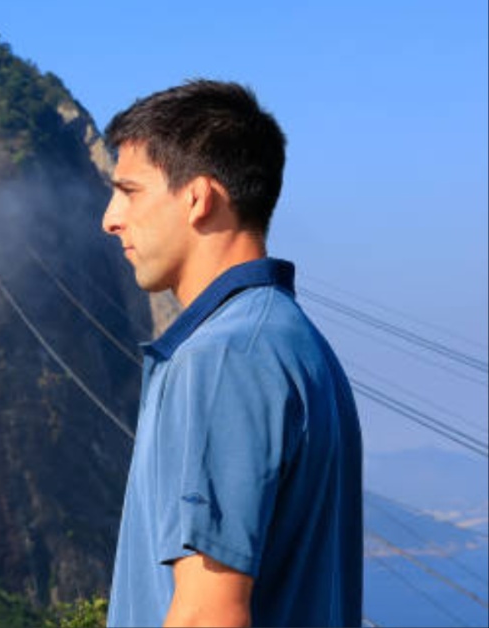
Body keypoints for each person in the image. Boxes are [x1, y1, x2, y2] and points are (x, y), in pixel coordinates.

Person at [100, 80, 362, 627]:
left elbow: (207, 615)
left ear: (197, 197)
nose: (111, 217)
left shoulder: (223, 358)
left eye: (129, 190)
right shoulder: (296, 343)